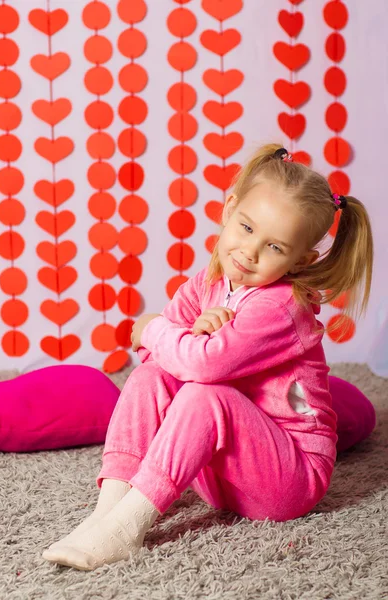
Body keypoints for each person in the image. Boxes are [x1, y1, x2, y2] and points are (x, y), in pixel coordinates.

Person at [42, 143, 374, 571]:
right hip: (221, 475)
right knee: (149, 379)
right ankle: (109, 509)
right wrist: (190, 335)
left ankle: (126, 529)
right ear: (229, 209)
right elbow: (155, 359)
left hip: (287, 479)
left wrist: (159, 330)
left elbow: (193, 360)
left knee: (204, 394)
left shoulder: (281, 306)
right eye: (247, 227)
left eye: (275, 247)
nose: (250, 251)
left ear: (300, 260)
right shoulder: (209, 281)